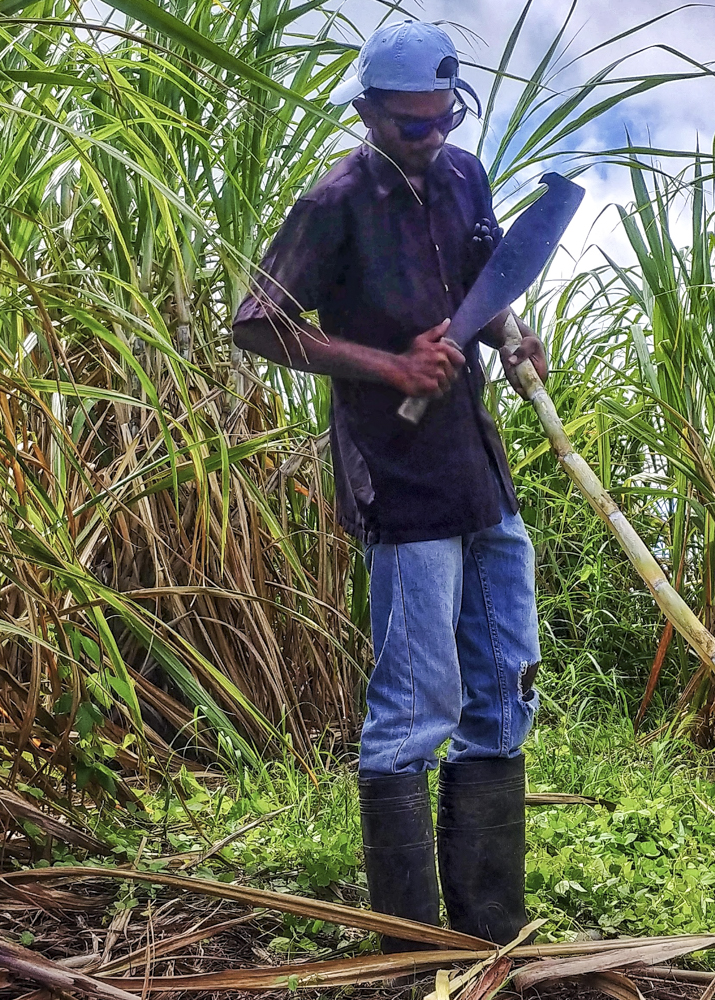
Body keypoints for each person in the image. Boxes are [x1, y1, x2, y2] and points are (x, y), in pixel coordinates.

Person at [232, 19, 547, 950]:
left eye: (444, 117)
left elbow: (485, 288)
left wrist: (509, 335)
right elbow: (257, 324)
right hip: (398, 476)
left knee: (505, 685)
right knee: (417, 703)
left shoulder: (462, 175)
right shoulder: (336, 198)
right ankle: (411, 944)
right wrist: (387, 366)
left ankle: (489, 927)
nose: (432, 136)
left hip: (477, 468)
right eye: (412, 125)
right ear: (369, 114)